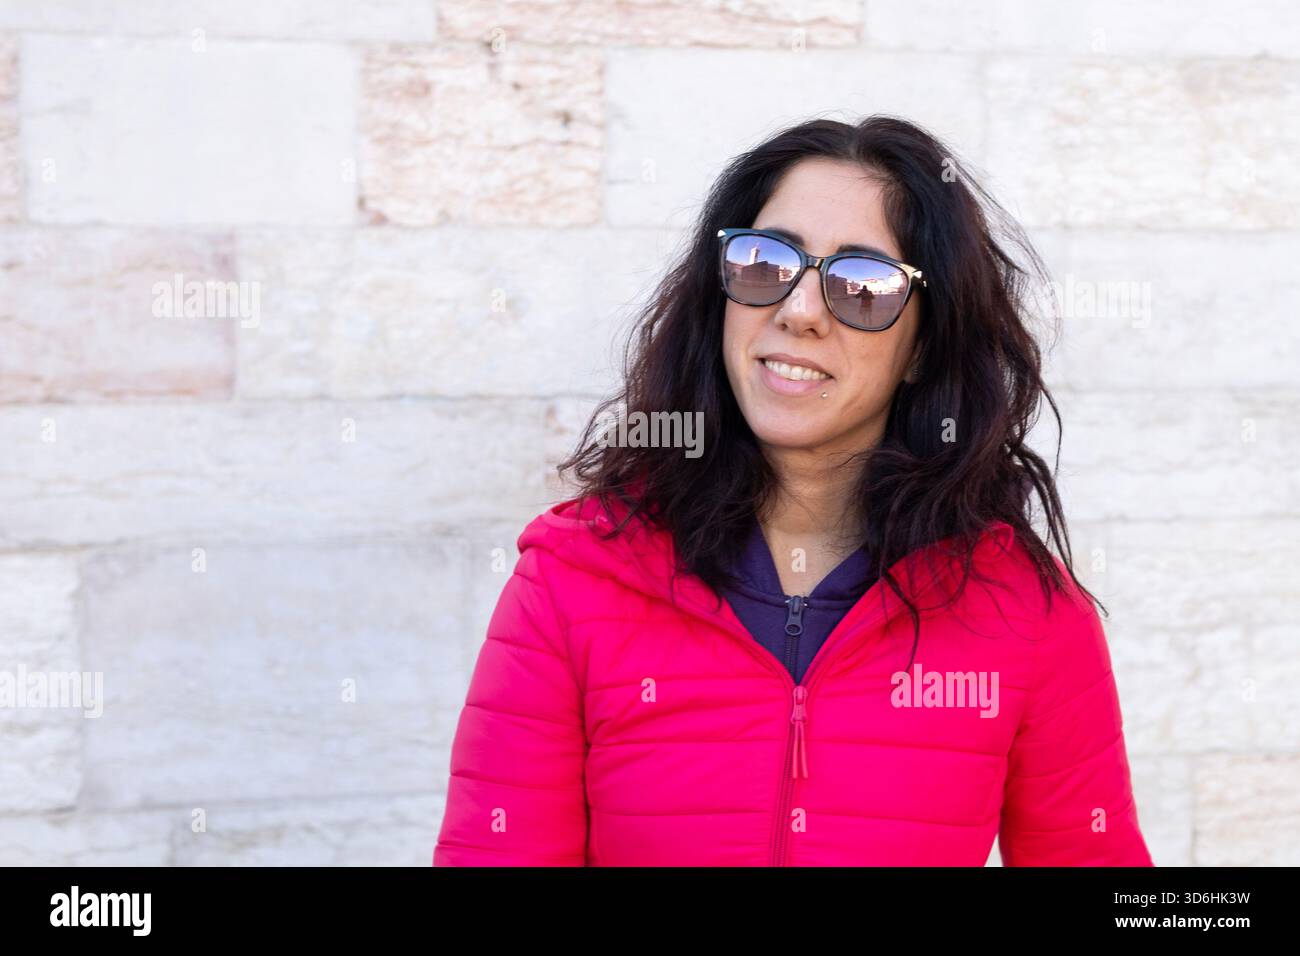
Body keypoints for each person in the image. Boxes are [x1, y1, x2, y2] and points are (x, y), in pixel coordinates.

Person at [433, 114, 1154, 867]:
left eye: (863, 285)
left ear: (923, 348)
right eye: (764, 262)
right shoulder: (571, 582)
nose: (799, 310)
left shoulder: (1029, 618)